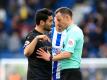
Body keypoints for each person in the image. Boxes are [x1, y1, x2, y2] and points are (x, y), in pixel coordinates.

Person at [37, 7, 84, 80]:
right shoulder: (49, 33)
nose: (59, 23)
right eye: (56, 20)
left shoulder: (73, 32)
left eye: (59, 20)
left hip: (70, 71)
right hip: (64, 72)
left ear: (67, 18)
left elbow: (68, 53)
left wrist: (50, 58)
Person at [24, 8, 53, 80]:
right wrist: (36, 38)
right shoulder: (32, 36)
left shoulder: (47, 36)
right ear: (42, 22)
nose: (52, 23)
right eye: (50, 21)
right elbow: (26, 52)